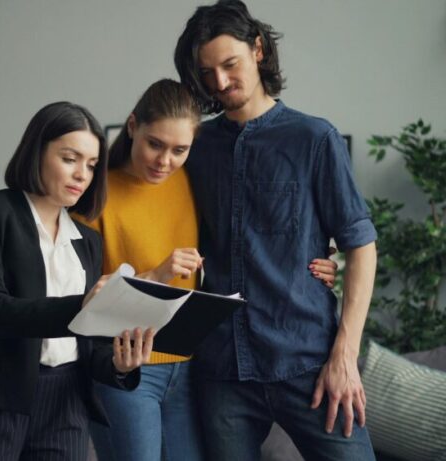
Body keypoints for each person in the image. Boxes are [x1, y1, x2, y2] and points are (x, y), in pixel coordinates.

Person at [76, 79, 340, 461]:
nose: (164, 161)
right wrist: (155, 275)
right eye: (155, 144)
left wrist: (320, 261)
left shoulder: (190, 180)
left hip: (187, 368)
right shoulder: (96, 194)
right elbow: (81, 300)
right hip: (126, 365)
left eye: (179, 149)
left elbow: (246, 235)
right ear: (132, 126)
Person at [174, 1, 378, 459]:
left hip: (306, 360)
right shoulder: (196, 147)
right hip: (223, 367)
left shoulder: (314, 139)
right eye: (208, 73)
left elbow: (360, 243)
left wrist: (344, 356)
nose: (221, 83)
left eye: (230, 65)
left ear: (258, 49)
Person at [0, 101, 156, 461]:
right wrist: (84, 304)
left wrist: (120, 364)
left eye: (91, 165)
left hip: (67, 403)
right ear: (37, 151)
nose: (82, 175)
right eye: (69, 159)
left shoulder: (88, 240)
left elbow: (90, 346)